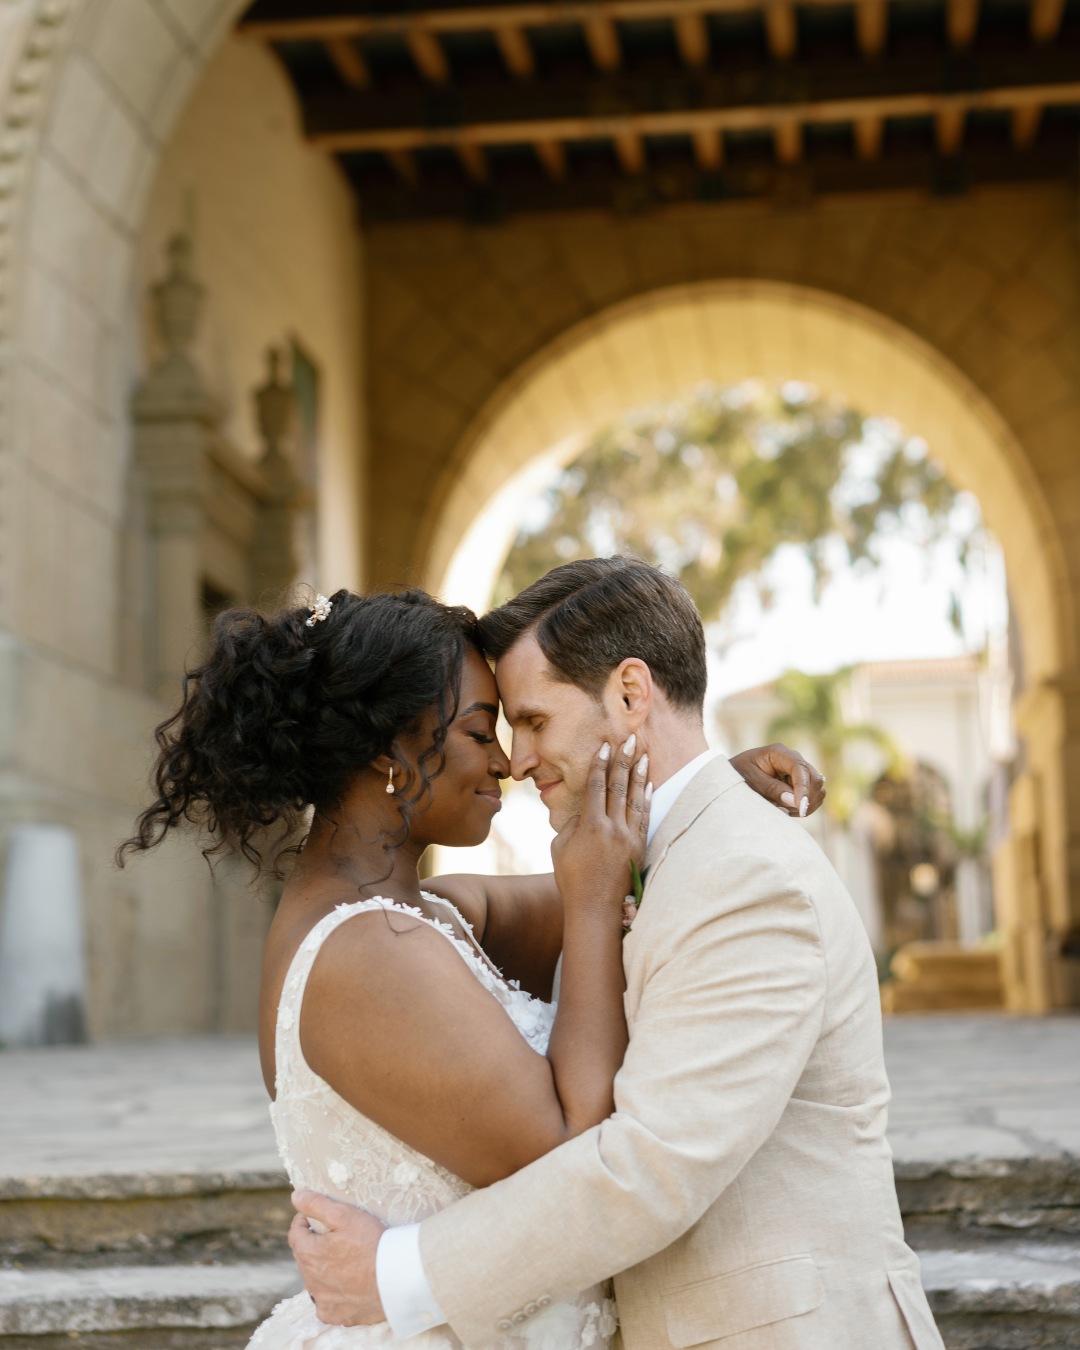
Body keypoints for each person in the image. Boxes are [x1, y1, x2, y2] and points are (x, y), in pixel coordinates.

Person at [118, 583, 825, 1350]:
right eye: (481, 731)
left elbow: (610, 869)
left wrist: (698, 790)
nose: (507, 762)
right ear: (389, 749)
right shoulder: (368, 954)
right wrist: (594, 905)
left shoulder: (428, 914)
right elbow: (573, 1152)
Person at [288, 558, 945, 1350]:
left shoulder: (744, 877)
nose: (517, 761)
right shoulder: (625, 861)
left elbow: (651, 1166)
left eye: (534, 722)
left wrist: (397, 1275)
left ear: (632, 695)